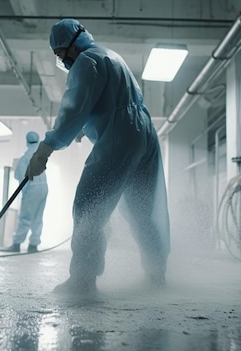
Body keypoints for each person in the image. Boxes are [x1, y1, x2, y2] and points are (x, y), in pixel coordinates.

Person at [26, 19, 170, 295]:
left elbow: (74, 108)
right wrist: (87, 125)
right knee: (142, 209)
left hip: (121, 135)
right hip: (145, 133)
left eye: (60, 53)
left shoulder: (84, 62)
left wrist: (46, 148)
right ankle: (157, 274)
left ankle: (83, 280)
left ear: (71, 45)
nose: (62, 60)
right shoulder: (109, 54)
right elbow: (113, 99)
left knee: (89, 205)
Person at [0, 131, 48, 253]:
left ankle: (16, 244)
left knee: (25, 217)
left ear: (27, 141)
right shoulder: (41, 154)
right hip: (44, 188)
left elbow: (21, 177)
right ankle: (33, 245)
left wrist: (25, 193)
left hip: (33, 188)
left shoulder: (25, 158)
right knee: (38, 217)